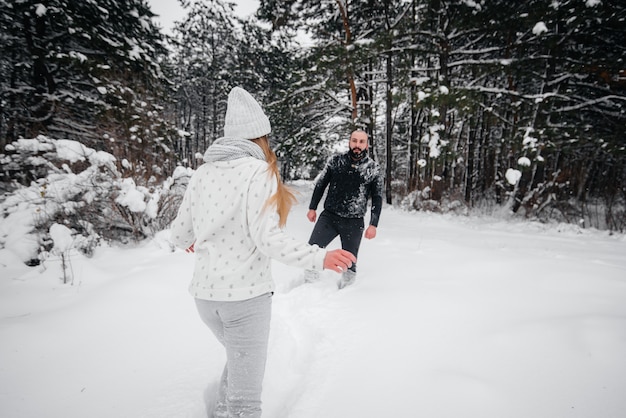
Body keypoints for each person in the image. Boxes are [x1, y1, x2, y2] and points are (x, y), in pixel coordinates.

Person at [169, 87, 356, 418]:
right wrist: (320, 257)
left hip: (205, 299)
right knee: (246, 404)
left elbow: (180, 233)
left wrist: (195, 238)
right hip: (244, 301)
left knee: (238, 361)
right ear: (260, 136)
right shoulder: (259, 172)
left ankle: (223, 410)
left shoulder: (202, 173)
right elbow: (268, 239)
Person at [305, 129, 383, 289]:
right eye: (354, 141)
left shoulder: (373, 169)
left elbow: (377, 197)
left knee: (350, 261)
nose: (357, 145)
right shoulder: (336, 161)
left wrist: (373, 224)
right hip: (330, 217)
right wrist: (312, 207)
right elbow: (321, 184)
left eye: (361, 142)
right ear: (349, 142)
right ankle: (308, 287)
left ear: (367, 145)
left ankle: (347, 293)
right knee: (312, 252)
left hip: (354, 222)